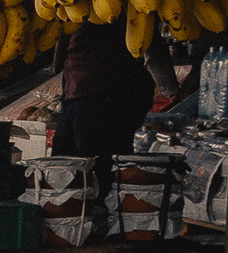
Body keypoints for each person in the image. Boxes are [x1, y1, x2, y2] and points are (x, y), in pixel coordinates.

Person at [52, 19, 157, 163]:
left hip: (104, 94)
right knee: (62, 165)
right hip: (78, 93)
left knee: (97, 166)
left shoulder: (113, 9)